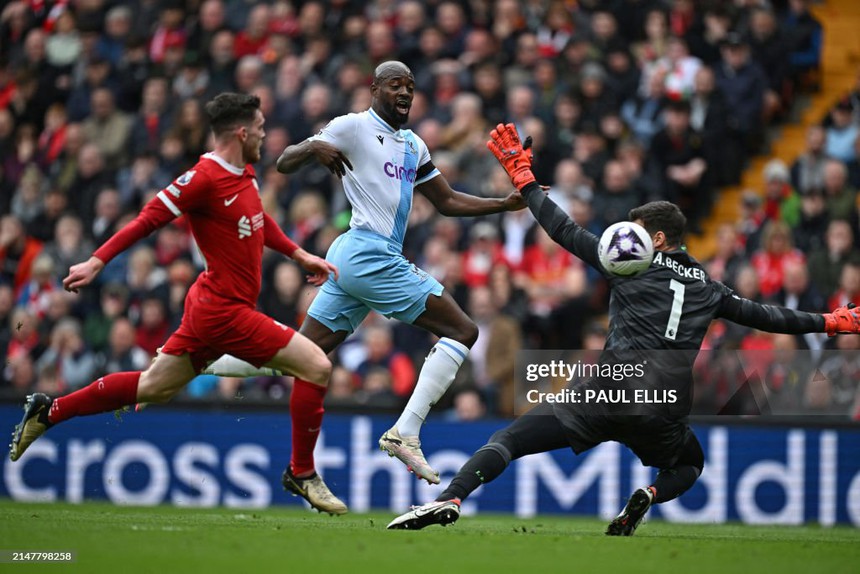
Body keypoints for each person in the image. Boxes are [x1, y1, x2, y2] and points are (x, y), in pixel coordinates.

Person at [386, 123, 860, 535]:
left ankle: (451, 498)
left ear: (656, 239)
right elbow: (768, 316)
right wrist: (830, 322)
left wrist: (525, 179)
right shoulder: (713, 289)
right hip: (664, 407)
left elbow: (564, 232)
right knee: (690, 463)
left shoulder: (632, 263)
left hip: (604, 393)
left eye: (634, 231)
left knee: (509, 440)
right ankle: (650, 495)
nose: (623, 239)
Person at [8, 93, 347, 514]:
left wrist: (299, 254)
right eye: (259, 127)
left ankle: (49, 411)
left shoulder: (245, 173)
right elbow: (148, 217)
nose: (264, 134)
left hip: (213, 307)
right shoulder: (202, 178)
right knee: (316, 365)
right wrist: (97, 261)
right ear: (241, 132)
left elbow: (258, 220)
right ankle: (302, 472)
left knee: (154, 387)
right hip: (224, 311)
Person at [205, 61, 525, 500]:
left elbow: (447, 201)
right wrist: (313, 147)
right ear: (374, 88)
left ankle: (202, 358)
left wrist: (504, 205)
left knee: (302, 353)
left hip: (354, 258)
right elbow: (283, 161)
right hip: (367, 252)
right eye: (395, 84)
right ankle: (405, 432)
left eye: (410, 86)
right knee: (463, 330)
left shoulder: (413, 145)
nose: (405, 92)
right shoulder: (354, 126)